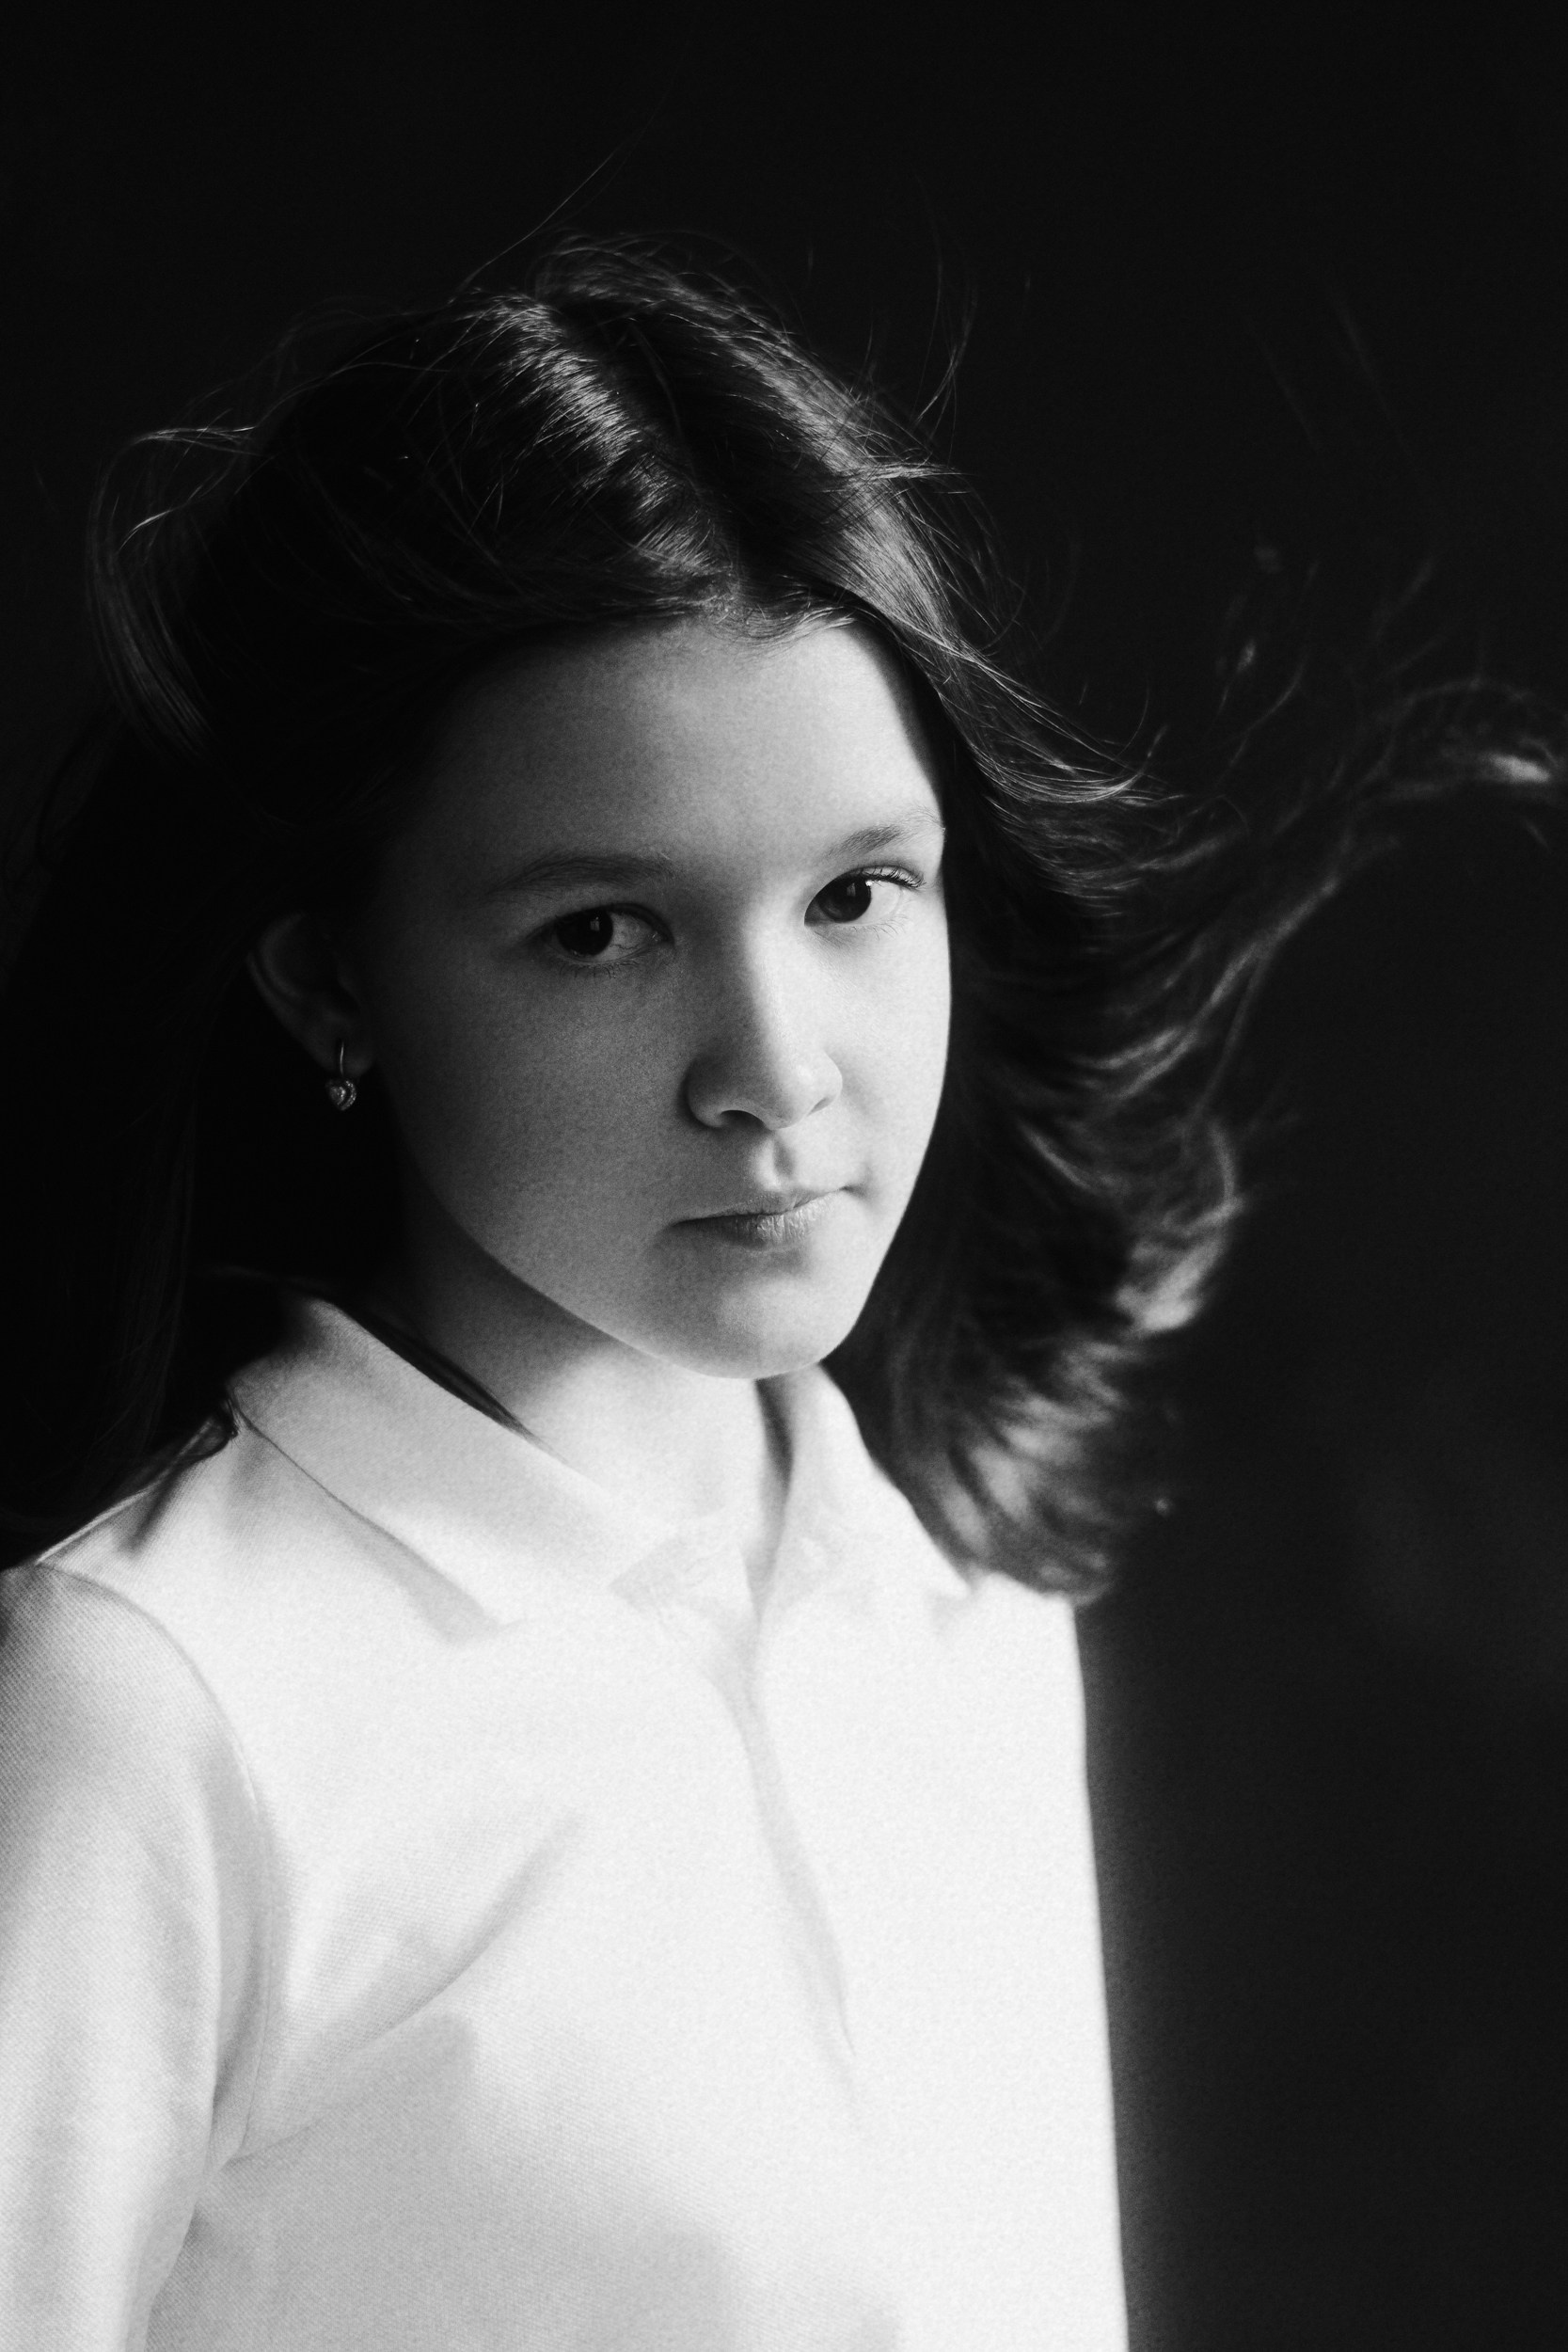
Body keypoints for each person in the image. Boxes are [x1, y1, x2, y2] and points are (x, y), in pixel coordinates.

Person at [0, 237, 1553, 2351]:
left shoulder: (954, 1599)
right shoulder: (158, 1701)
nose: (778, 1071)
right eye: (601, 931)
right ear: (333, 978)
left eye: (855, 893)